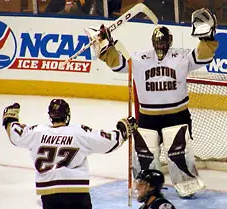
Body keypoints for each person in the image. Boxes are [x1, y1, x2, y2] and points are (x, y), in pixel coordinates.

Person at [86, 8, 219, 197]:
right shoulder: (141, 58)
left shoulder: (181, 56)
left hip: (177, 115)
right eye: (159, 41)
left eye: (164, 42)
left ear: (170, 42)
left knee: (179, 153)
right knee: (145, 155)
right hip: (148, 117)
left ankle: (186, 184)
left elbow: (203, 55)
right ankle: (146, 187)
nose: (161, 45)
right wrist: (105, 46)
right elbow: (118, 64)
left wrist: (207, 35)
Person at [2, 99, 138, 209]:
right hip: (76, 193)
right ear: (67, 115)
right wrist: (123, 130)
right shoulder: (78, 133)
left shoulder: (37, 132)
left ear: (50, 116)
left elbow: (16, 135)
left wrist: (10, 119)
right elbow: (107, 142)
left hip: (49, 194)